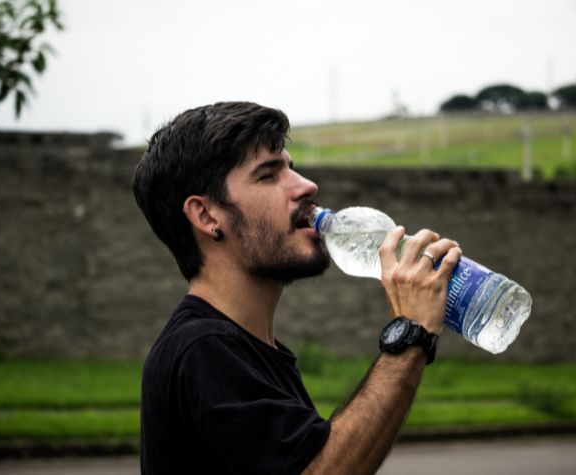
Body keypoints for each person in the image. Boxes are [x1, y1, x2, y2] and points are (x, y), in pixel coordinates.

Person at [133, 101, 461, 474]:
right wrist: (411, 334)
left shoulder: (250, 349)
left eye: (291, 167)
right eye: (268, 175)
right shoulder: (203, 349)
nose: (307, 185)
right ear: (207, 215)